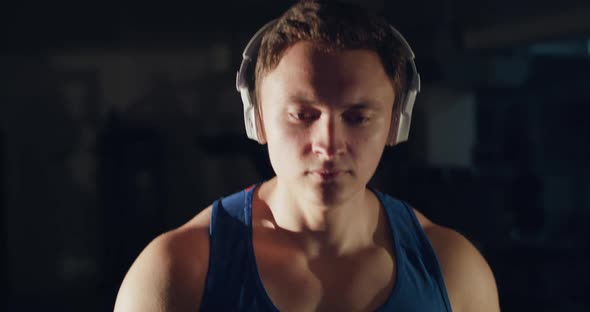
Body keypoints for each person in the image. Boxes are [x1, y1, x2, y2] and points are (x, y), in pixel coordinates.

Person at [114, 0, 500, 311]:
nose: (328, 144)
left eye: (358, 117)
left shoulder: (454, 271)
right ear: (257, 119)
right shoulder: (175, 271)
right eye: (302, 115)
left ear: (396, 124)